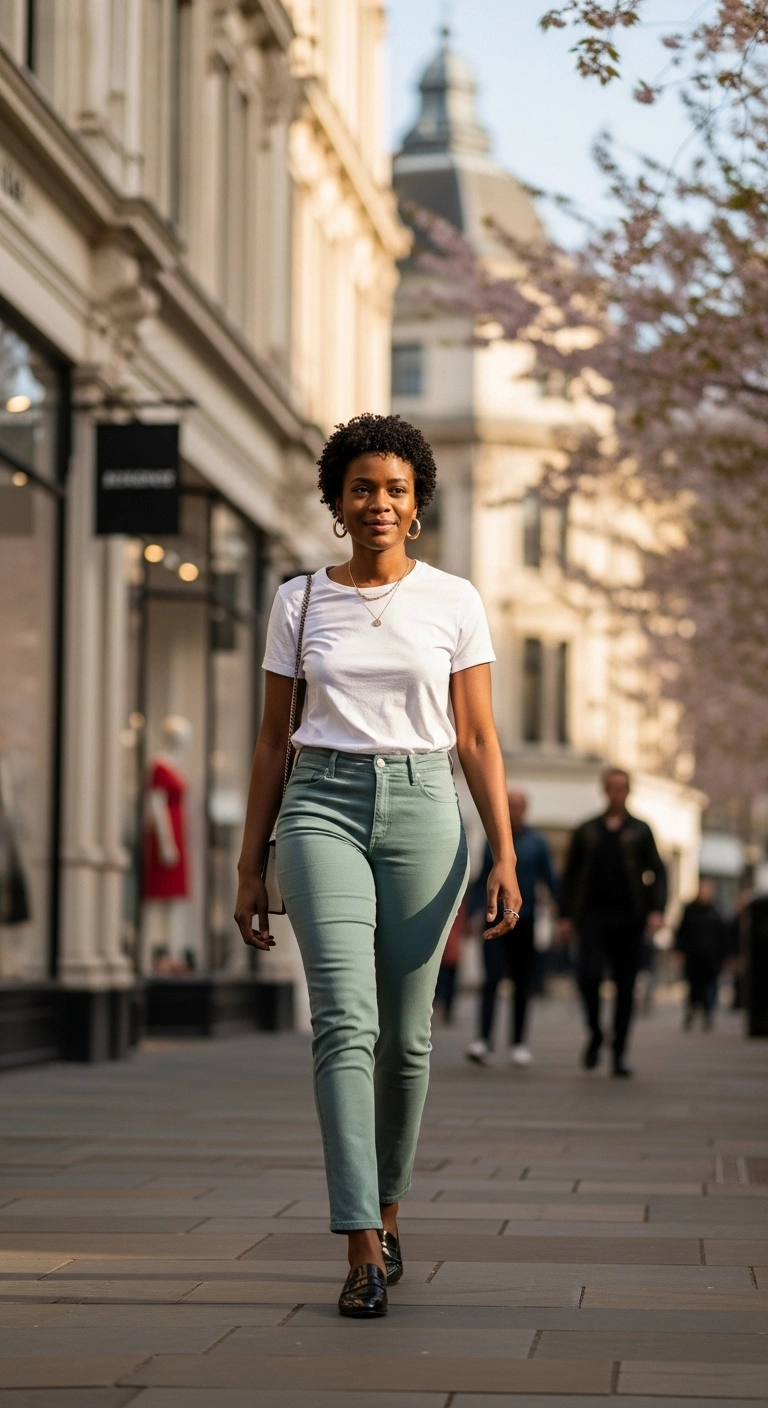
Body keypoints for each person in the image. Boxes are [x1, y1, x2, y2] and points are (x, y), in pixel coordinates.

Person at [234, 414, 522, 1319]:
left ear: (418, 504)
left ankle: (390, 1213)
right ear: (337, 502)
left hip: (428, 810)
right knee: (344, 1020)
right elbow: (273, 739)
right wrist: (250, 865)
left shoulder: (454, 600)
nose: (380, 503)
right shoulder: (298, 601)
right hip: (320, 805)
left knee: (408, 1037)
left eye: (396, 489)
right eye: (363, 487)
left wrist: (504, 852)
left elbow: (476, 735)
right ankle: (359, 1240)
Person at [558, 767, 666, 1077]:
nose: (616, 792)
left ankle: (619, 1053)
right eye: (611, 787)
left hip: (630, 919)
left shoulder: (642, 830)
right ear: (604, 790)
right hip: (591, 917)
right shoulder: (587, 830)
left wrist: (656, 910)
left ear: (628, 791)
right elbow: (570, 876)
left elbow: (658, 873)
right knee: (589, 976)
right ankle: (595, 1033)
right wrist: (565, 916)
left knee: (625, 985)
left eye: (622, 787)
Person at [466, 790, 558, 1067]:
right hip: (494, 918)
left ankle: (518, 1042)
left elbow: (550, 879)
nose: (514, 811)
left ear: (525, 810)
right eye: (510, 806)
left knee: (522, 983)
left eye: (518, 806)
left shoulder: (537, 843)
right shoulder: (492, 841)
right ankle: (483, 1040)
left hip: (524, 918)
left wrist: (564, 913)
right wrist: (473, 912)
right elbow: (483, 876)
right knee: (491, 979)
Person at [675, 877, 726, 1030]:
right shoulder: (690, 910)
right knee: (693, 988)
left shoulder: (714, 912)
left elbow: (722, 936)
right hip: (694, 956)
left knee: (709, 988)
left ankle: (707, 1015)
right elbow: (682, 932)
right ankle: (691, 1014)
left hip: (710, 958)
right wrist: (679, 950)